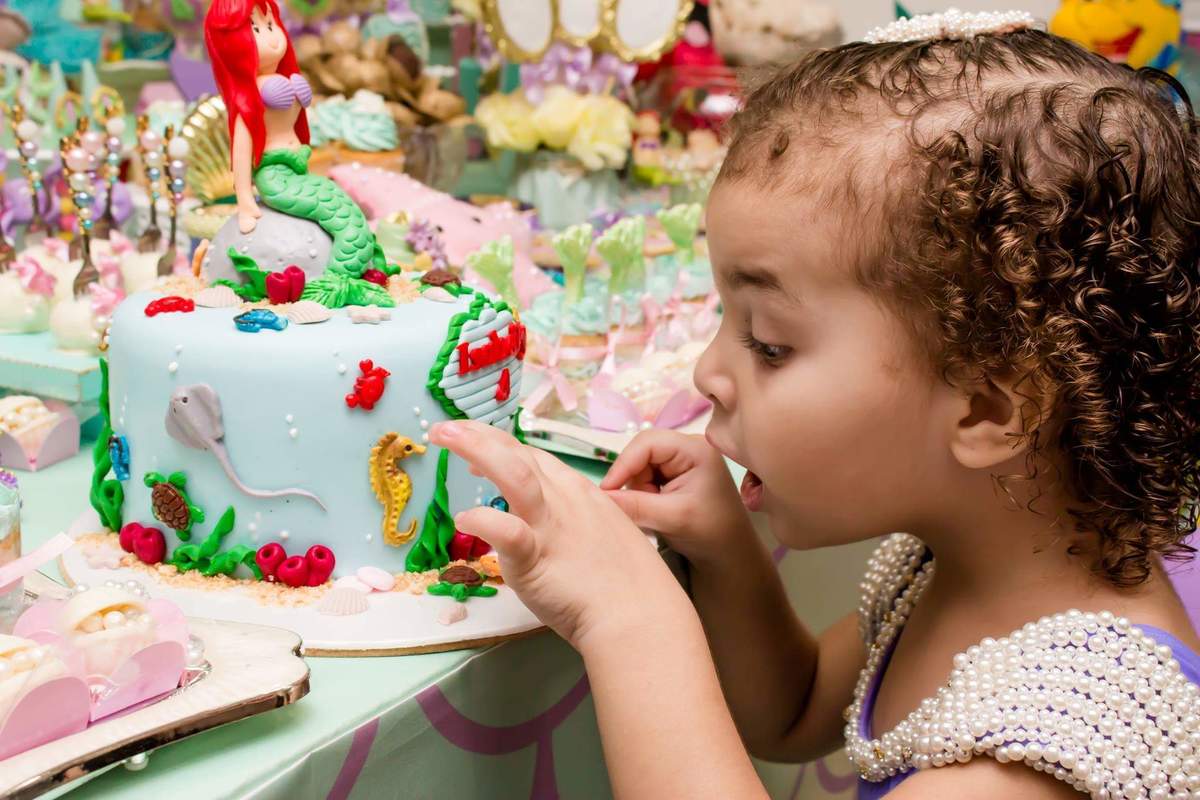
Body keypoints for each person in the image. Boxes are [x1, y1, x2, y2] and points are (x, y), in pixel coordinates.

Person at [431, 13, 1200, 799]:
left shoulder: (1055, 749)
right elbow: (793, 712)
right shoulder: (958, 564)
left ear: (988, 410)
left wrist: (629, 615)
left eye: (768, 343)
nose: (706, 373)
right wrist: (725, 550)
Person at [204, 0, 388, 304]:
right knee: (340, 212)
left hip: (297, 169)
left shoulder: (283, 76)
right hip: (276, 178)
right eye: (255, 30)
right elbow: (241, 152)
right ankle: (336, 281)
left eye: (270, 25)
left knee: (339, 203)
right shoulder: (248, 99)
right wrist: (245, 202)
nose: (271, 37)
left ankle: (347, 272)